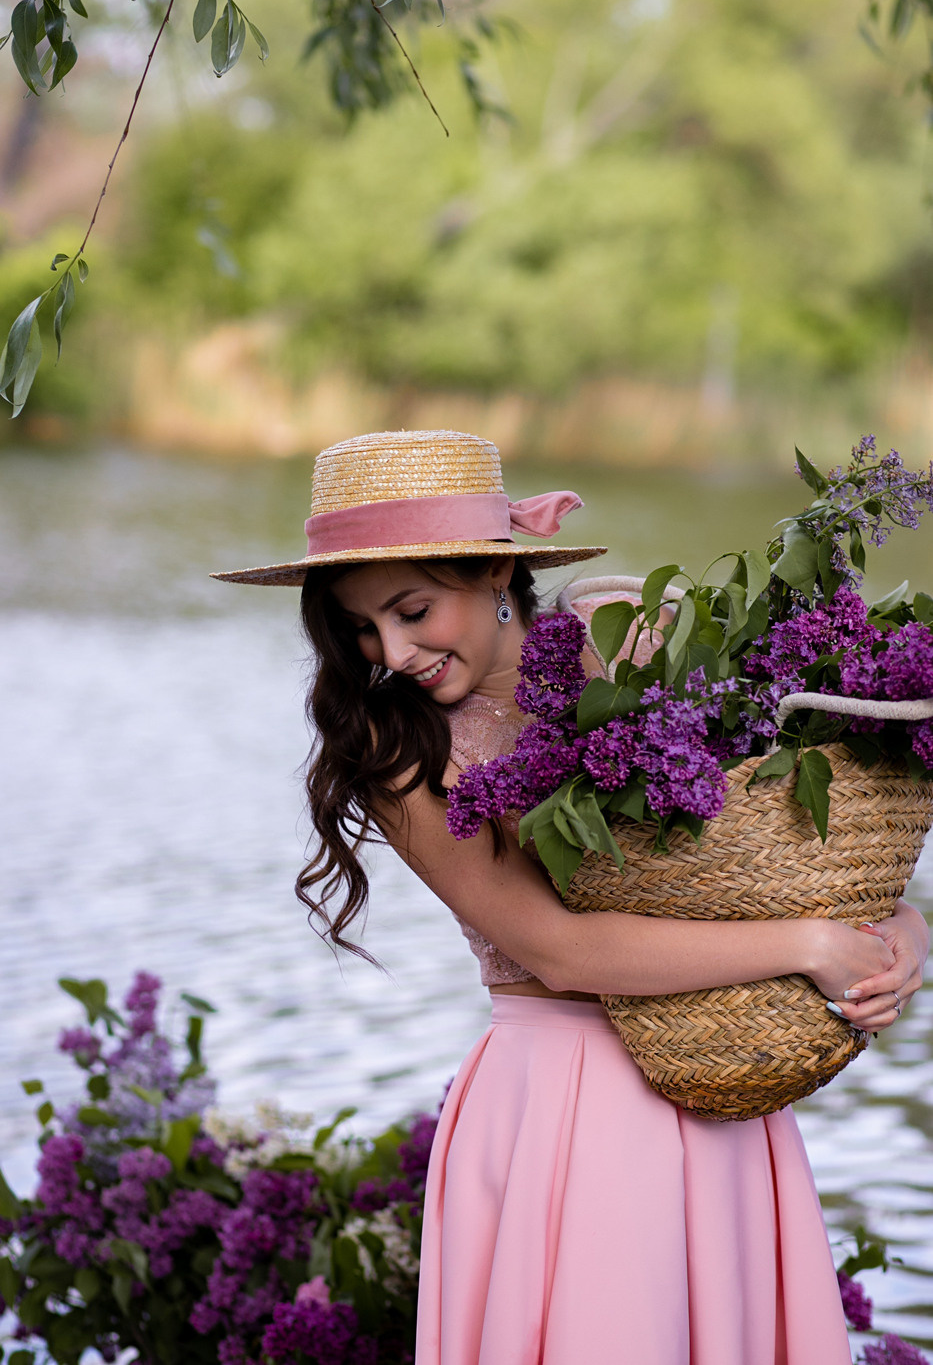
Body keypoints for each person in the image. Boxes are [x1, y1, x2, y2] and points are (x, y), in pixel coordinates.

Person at [213, 428, 930, 1365]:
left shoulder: (638, 651)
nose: (389, 651)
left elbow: (796, 852)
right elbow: (557, 947)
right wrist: (807, 946)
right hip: (571, 1105)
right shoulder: (400, 752)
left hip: (725, 1081)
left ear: (492, 574)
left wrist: (897, 933)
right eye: (359, 628)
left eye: (411, 609)